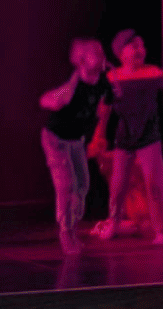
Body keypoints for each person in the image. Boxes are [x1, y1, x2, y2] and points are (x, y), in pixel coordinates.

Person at [94, 29, 163, 245]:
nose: (139, 49)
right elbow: (105, 110)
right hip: (124, 138)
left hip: (149, 136)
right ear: (120, 53)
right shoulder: (113, 78)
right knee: (117, 187)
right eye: (133, 45)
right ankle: (114, 224)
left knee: (155, 183)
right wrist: (99, 135)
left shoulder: (153, 73)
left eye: (142, 45)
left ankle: (161, 230)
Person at [39, 38, 111, 255]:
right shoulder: (74, 84)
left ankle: (72, 227)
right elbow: (47, 100)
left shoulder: (102, 81)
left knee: (83, 186)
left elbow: (107, 102)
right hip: (56, 140)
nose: (99, 56)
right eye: (93, 53)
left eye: (100, 52)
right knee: (67, 186)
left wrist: (100, 131)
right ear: (81, 60)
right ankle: (66, 231)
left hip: (76, 140)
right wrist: (54, 99)